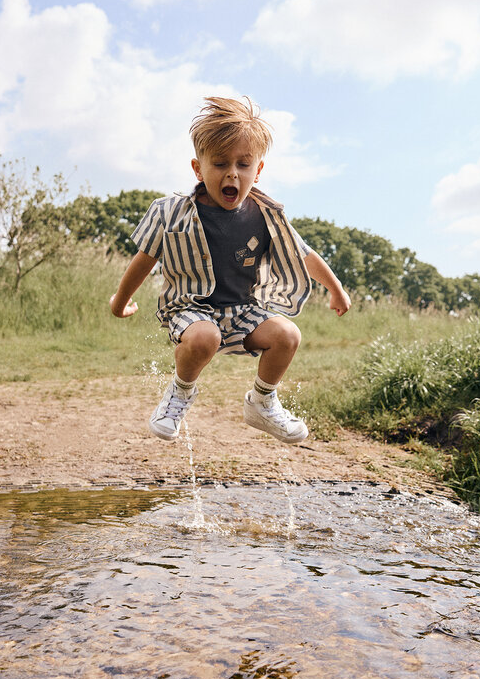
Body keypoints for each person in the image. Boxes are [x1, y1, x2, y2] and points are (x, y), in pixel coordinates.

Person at [109, 97, 351, 444]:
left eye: (243, 164)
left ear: (259, 170)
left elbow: (304, 254)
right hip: (190, 309)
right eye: (220, 163)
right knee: (206, 337)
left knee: (287, 335)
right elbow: (144, 260)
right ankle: (179, 393)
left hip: (242, 311)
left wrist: (336, 288)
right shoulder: (170, 212)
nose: (232, 174)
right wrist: (120, 302)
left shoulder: (267, 215)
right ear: (198, 168)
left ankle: (262, 402)